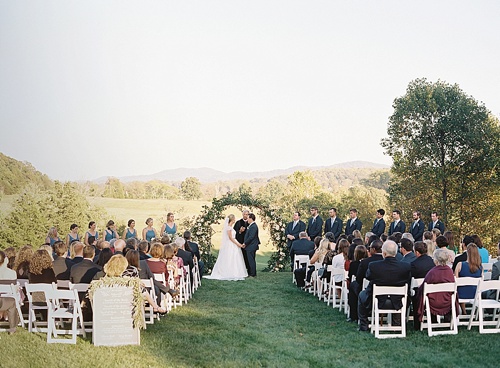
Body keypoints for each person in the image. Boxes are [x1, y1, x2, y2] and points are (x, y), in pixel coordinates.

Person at [358, 240, 411, 332]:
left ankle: (364, 325)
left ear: (384, 253)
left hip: (377, 300)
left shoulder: (374, 266)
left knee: (361, 295)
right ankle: (397, 323)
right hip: (398, 301)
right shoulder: (405, 266)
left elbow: (368, 276)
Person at [415, 248, 459, 330]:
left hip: (433, 302)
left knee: (423, 295)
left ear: (435, 260)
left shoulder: (432, 272)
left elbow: (423, 287)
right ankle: (447, 321)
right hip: (447, 301)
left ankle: (431, 321)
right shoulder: (449, 271)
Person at [205, 214, 248, 280]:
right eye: (234, 219)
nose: (235, 220)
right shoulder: (228, 228)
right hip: (230, 244)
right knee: (230, 257)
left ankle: (235, 272)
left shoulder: (230, 227)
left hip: (233, 243)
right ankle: (229, 272)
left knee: (234, 258)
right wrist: (238, 244)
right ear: (232, 220)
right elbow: (231, 238)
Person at [455, 243, 483, 314]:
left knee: (460, 287)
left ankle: (464, 311)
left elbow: (455, 282)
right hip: (475, 294)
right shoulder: (480, 267)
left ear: (467, 252)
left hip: (461, 294)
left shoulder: (460, 265)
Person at [347, 245, 368, 323]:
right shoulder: (367, 262)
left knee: (352, 285)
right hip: (366, 286)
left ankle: (353, 315)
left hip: (360, 286)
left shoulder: (354, 264)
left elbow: (351, 276)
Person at [0, 251, 19, 334]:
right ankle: (12, 327)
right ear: (5, 259)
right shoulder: (12, 273)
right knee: (12, 301)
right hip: (5, 302)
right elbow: (14, 291)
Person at [242, 213, 260, 278]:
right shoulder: (251, 226)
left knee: (251, 260)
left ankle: (252, 274)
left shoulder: (254, 226)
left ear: (251, 218)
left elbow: (251, 237)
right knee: (251, 260)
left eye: (248, 218)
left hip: (251, 246)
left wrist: (245, 243)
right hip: (251, 245)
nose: (247, 220)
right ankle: (252, 273)